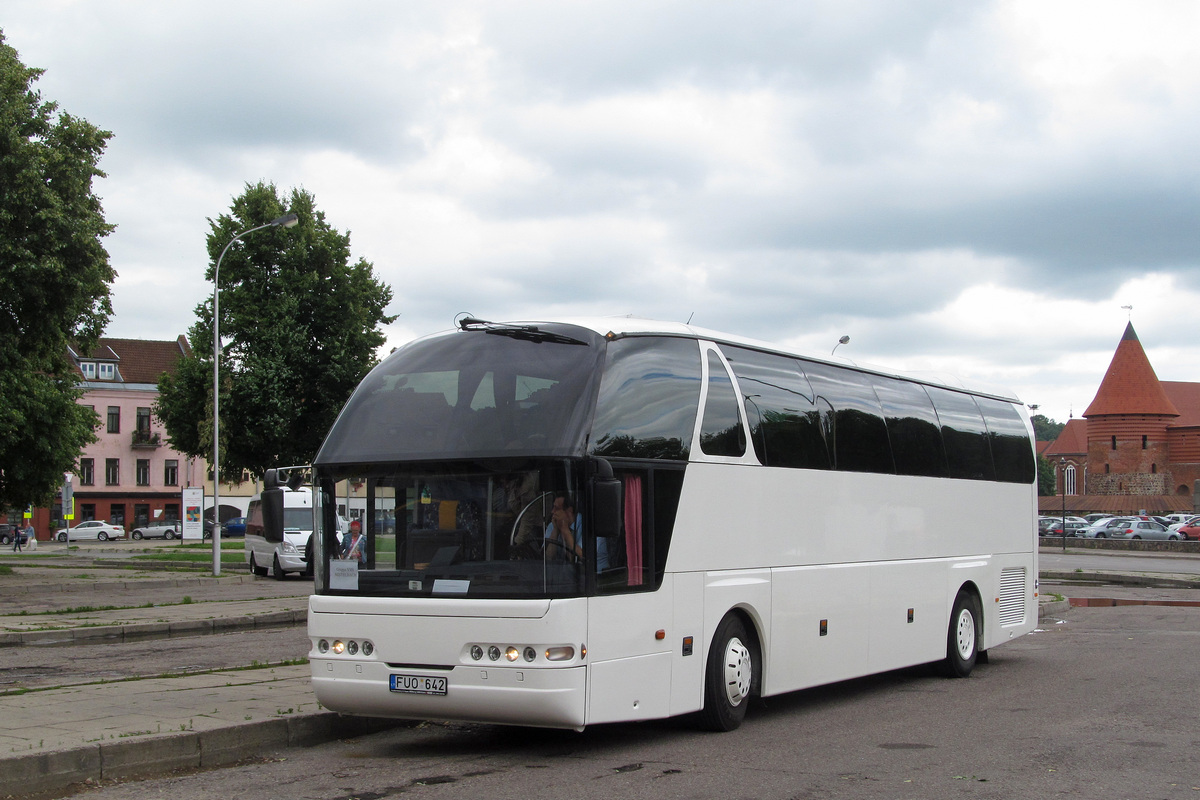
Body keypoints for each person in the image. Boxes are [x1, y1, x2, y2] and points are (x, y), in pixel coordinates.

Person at [544, 492, 582, 560]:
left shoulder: (585, 526)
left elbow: (575, 558)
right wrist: (555, 531)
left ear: (569, 511)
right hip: (559, 569)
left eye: (557, 508)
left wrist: (565, 530)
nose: (552, 511)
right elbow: (548, 558)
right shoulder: (552, 525)